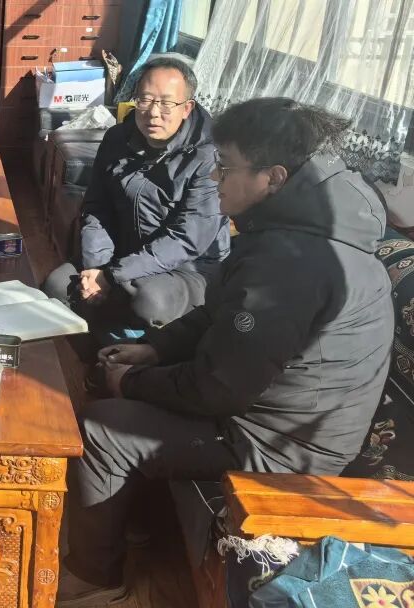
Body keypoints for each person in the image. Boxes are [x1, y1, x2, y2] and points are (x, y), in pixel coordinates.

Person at [56, 98, 394, 606]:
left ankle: (95, 579)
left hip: (284, 447)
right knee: (122, 375)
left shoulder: (293, 261)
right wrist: (154, 350)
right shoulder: (295, 233)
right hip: (269, 414)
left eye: (226, 168)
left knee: (102, 428)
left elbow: (218, 389)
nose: (214, 179)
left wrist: (130, 383)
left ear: (273, 178)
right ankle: (131, 526)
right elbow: (218, 313)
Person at [42, 57, 229, 335]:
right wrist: (98, 267)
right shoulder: (117, 138)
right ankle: (83, 355)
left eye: (166, 103)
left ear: (187, 108)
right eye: (145, 100)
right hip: (122, 254)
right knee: (58, 286)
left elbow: (187, 239)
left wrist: (113, 276)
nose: (153, 112)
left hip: (187, 267)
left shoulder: (208, 157)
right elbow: (97, 207)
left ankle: (138, 350)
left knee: (148, 300)